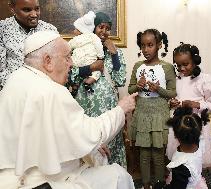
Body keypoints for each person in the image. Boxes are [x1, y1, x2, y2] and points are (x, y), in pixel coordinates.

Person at [0, 30, 137, 189]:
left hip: (10, 179)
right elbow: (92, 133)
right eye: (67, 57)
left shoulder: (14, 80)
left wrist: (88, 146)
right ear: (48, 61)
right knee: (118, 175)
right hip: (46, 181)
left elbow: (46, 135)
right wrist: (121, 109)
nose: (72, 63)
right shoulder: (52, 91)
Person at [68, 12, 128, 168]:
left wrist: (114, 54)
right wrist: (90, 67)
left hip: (109, 108)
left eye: (108, 28)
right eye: (101, 26)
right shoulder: (80, 48)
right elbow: (70, 76)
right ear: (93, 27)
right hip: (86, 107)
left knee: (111, 147)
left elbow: (120, 80)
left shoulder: (115, 51)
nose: (104, 31)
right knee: (91, 149)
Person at [128, 29, 176, 189]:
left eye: (150, 45)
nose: (146, 49)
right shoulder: (138, 66)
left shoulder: (167, 67)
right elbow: (130, 90)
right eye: (143, 45)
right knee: (143, 154)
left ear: (159, 45)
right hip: (142, 113)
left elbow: (172, 92)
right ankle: (146, 184)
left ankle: (159, 184)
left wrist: (158, 89)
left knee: (157, 153)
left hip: (159, 114)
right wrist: (138, 86)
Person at [166, 43, 211, 168]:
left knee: (196, 157)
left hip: (197, 124)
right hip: (179, 124)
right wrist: (172, 103)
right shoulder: (175, 80)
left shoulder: (205, 80)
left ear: (195, 61)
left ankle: (195, 181)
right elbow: (170, 98)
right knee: (178, 156)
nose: (181, 68)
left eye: (185, 64)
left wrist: (197, 104)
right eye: (178, 65)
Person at [0, 0, 58, 90]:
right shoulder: (2, 29)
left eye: (37, 9)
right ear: (12, 8)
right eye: (27, 10)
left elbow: (58, 65)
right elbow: (1, 70)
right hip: (12, 91)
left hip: (46, 90)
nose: (34, 14)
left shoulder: (50, 30)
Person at [154, 107, 209, 189]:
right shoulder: (200, 144)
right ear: (198, 132)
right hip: (197, 182)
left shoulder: (180, 165)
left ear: (176, 136)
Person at [68, 11, 104, 93]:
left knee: (74, 70)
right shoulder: (94, 37)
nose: (74, 31)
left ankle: (75, 85)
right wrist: (101, 57)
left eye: (75, 29)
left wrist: (68, 54)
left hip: (77, 61)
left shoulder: (76, 39)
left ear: (81, 30)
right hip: (91, 61)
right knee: (98, 71)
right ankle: (89, 82)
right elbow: (99, 47)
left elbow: (68, 47)